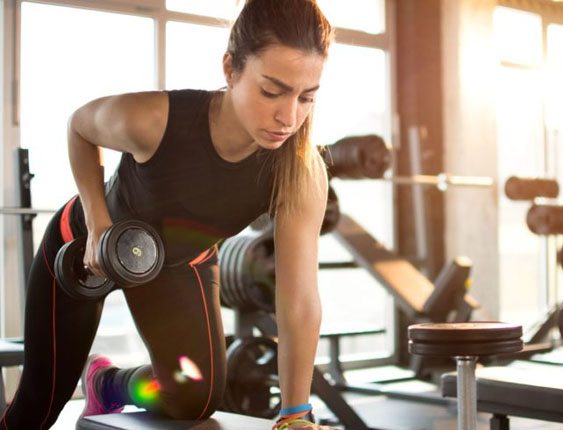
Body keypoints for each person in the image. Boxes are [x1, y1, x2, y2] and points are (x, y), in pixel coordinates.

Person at [0, 0, 336, 428]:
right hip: (86, 247)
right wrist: (98, 224)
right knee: (39, 406)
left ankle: (110, 384)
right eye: (272, 90)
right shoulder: (156, 119)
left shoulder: (300, 170)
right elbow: (80, 126)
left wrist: (295, 414)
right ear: (231, 69)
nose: (288, 116)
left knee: (194, 397)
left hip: (175, 264)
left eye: (306, 97)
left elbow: (299, 300)